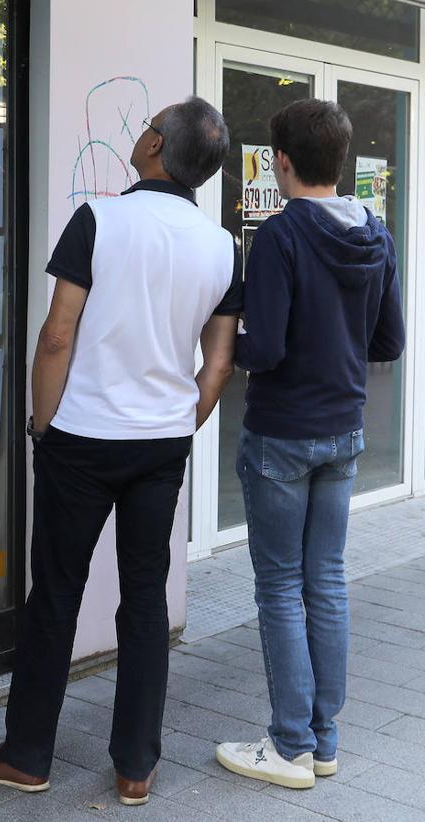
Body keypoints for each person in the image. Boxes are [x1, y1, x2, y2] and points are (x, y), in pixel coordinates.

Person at [0, 97, 241, 806]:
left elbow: (58, 334)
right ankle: (136, 768)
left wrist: (41, 426)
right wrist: (181, 424)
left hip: (81, 440)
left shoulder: (100, 220)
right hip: (160, 445)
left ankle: (26, 756)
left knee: (55, 594)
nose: (143, 130)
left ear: (154, 147)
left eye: (151, 123)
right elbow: (219, 364)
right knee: (145, 598)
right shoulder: (223, 247)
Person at [217, 99, 404, 789]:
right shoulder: (375, 234)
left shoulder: (278, 237)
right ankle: (324, 741)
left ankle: (289, 744)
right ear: (343, 160)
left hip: (282, 436)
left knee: (280, 586)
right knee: (326, 581)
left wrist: (217, 337)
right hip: (345, 433)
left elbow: (262, 348)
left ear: (281, 162)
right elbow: (389, 341)